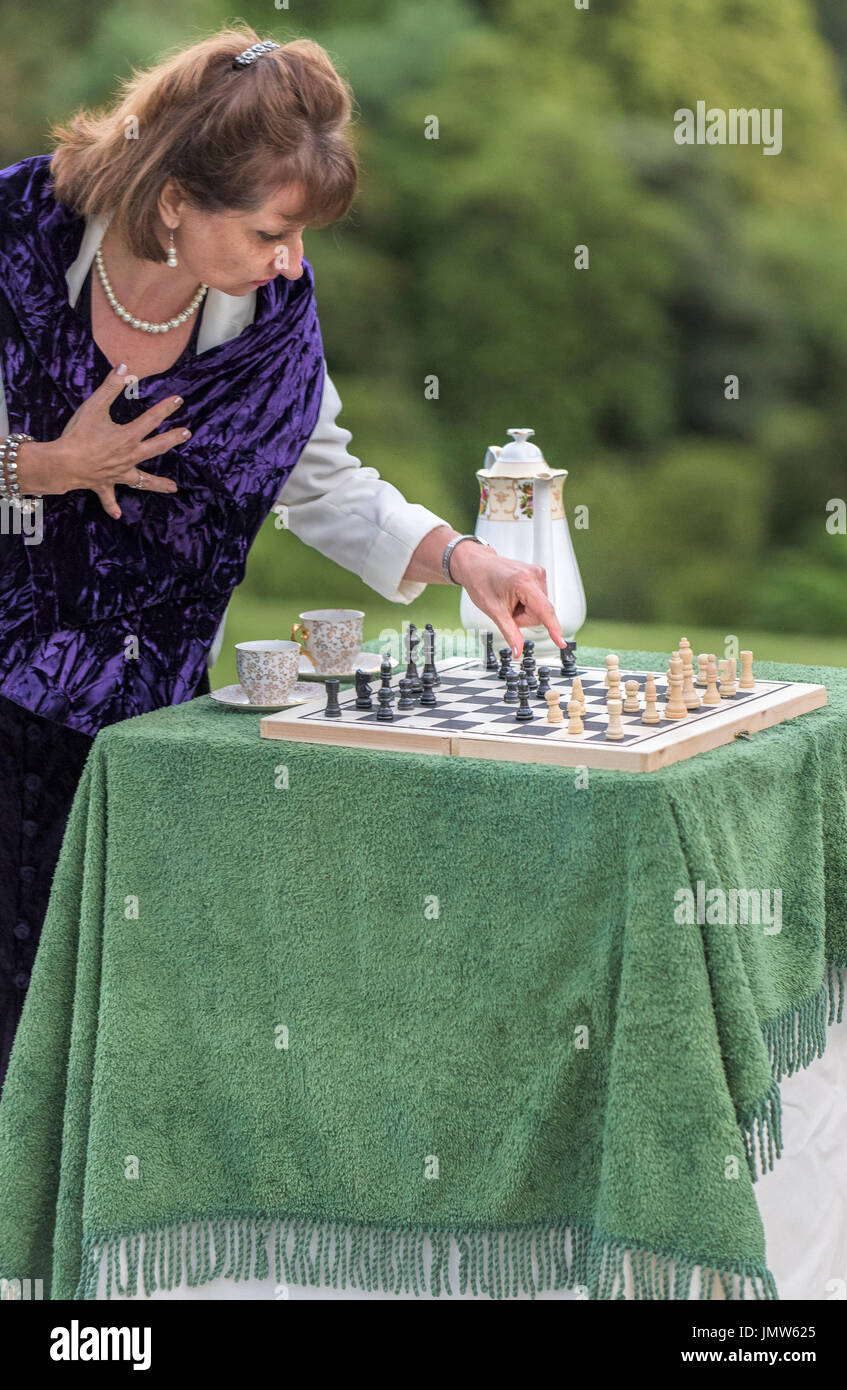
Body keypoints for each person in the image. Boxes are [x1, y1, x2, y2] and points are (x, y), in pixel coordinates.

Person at [0, 26, 563, 1091]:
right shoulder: (16, 240)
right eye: (268, 232)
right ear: (174, 200)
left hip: (141, 728)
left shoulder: (269, 322)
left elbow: (325, 484)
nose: (290, 262)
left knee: (108, 1040)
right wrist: (43, 464)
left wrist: (462, 559)